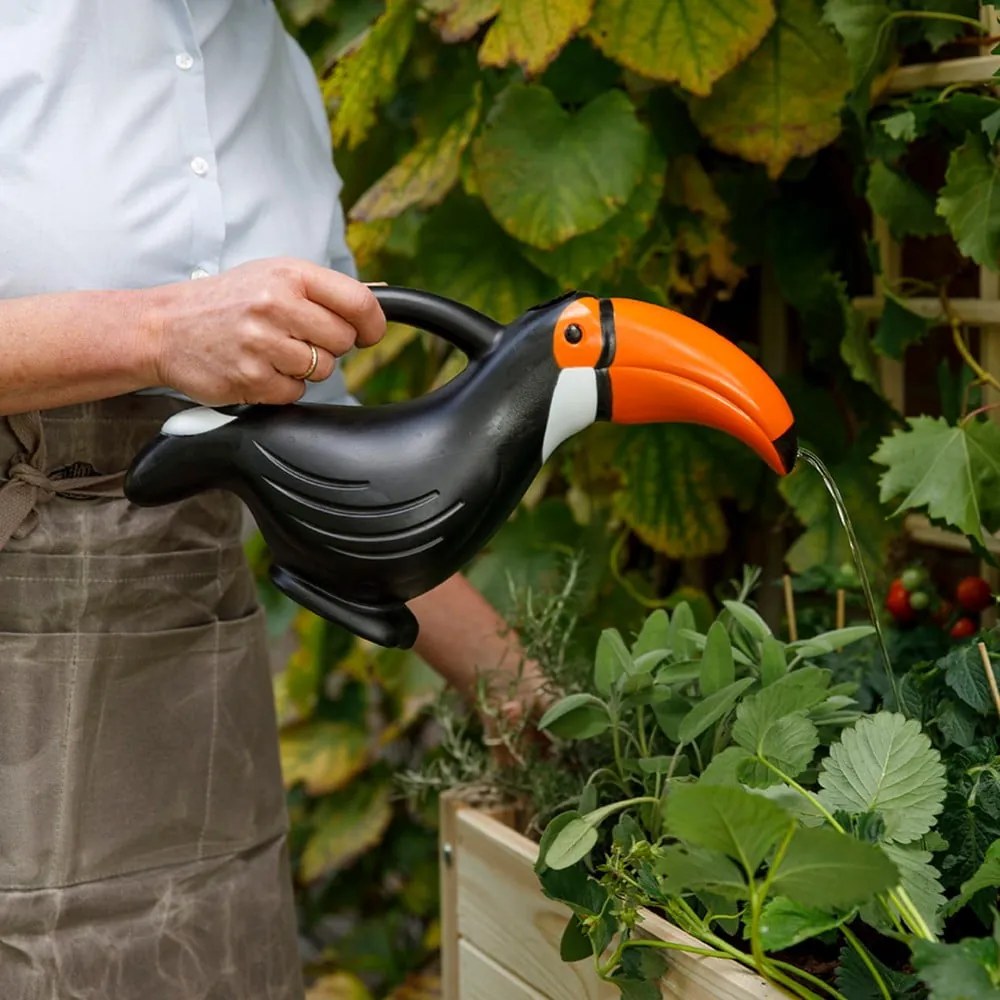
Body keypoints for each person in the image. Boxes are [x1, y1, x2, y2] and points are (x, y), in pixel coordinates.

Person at [0, 4, 546, 997]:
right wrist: (157, 331)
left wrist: (528, 699)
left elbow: (319, 473)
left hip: (189, 737)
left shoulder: (280, 76)